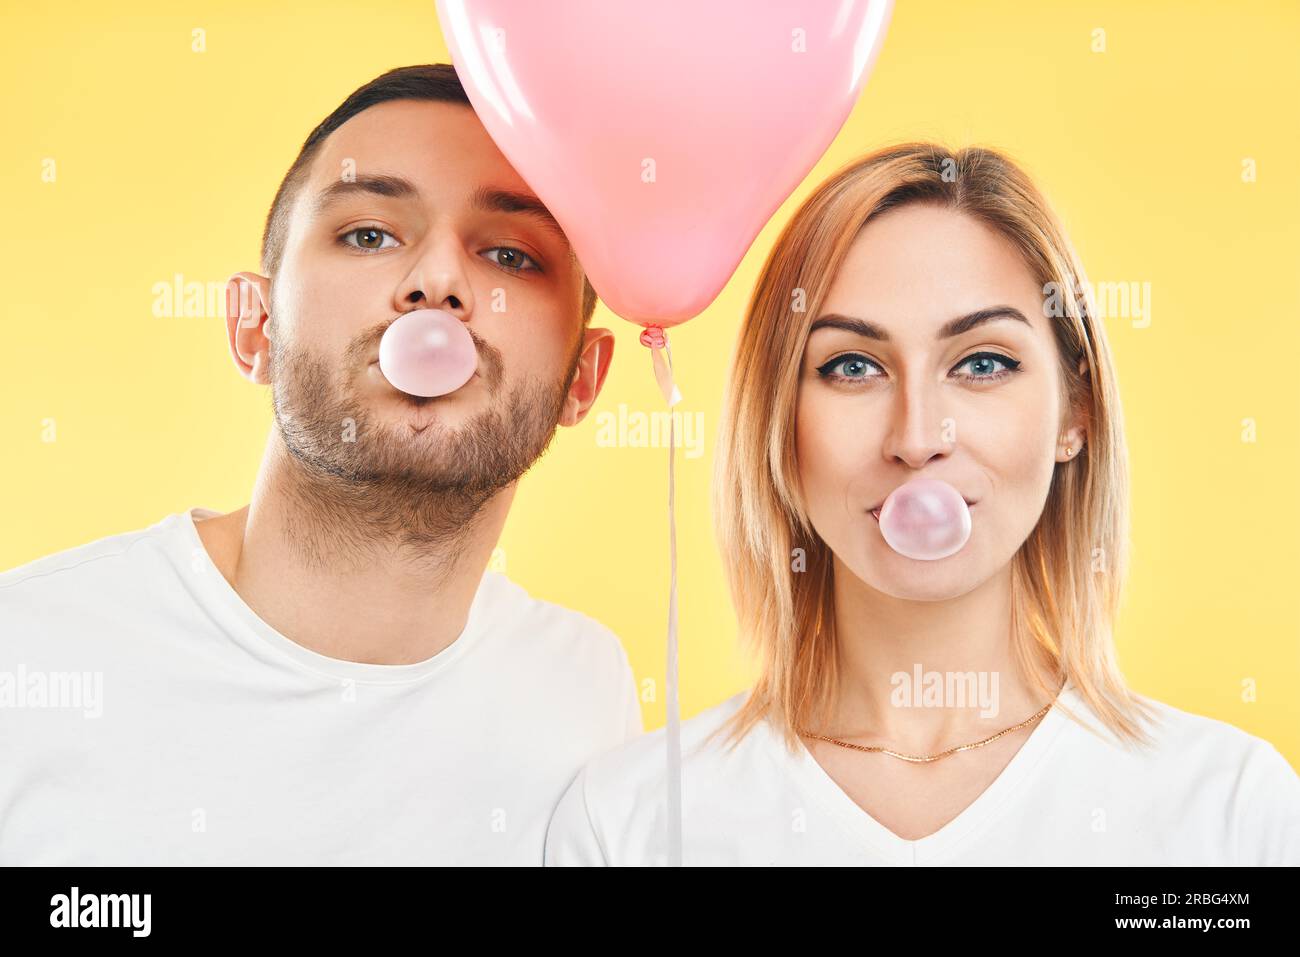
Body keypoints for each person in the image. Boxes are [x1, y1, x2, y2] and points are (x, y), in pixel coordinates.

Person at [545, 142, 1300, 866]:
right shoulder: (629, 824)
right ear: (780, 425)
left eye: (981, 363)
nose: (916, 437)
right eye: (852, 366)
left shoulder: (1231, 814)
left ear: (1076, 413)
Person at [0, 64, 640, 865]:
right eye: (369, 234)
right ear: (255, 326)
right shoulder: (23, 659)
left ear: (582, 378)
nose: (438, 281)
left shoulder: (586, 688)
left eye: (511, 255)